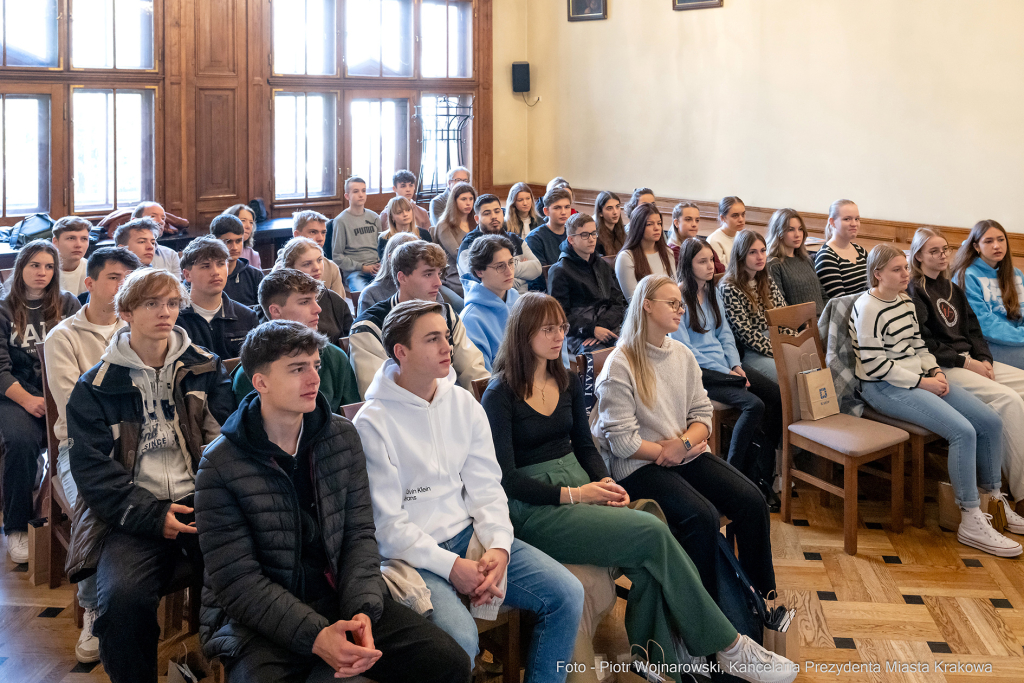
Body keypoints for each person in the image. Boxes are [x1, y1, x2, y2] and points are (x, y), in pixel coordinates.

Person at [483, 292, 797, 683]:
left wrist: (605, 481)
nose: (559, 336)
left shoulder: (562, 378)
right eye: (547, 329)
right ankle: (729, 645)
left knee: (650, 549)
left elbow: (585, 446)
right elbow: (508, 479)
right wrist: (578, 495)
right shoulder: (500, 393)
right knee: (651, 531)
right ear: (522, 333)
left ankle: (658, 661)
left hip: (580, 484)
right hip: (536, 506)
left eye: (561, 327)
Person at [196, 320, 471, 683]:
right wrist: (316, 635)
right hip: (259, 619)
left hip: (340, 596)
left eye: (316, 365)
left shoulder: (341, 436)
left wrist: (362, 612)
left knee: (447, 661)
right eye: (298, 369)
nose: (314, 379)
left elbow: (359, 535)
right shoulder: (220, 464)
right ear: (260, 382)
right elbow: (239, 583)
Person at [353, 299, 585, 683]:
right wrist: (451, 567)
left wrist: (497, 545)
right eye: (432, 339)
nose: (447, 347)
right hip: (415, 559)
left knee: (566, 594)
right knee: (459, 640)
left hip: (469, 537)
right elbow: (388, 528)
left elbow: (487, 488)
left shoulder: (461, 402)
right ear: (401, 352)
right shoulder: (372, 423)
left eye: (446, 336)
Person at [65, 268, 235, 683]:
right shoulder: (96, 387)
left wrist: (213, 500)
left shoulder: (203, 368)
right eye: (152, 303)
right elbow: (94, 474)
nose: (166, 312)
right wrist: (152, 516)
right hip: (134, 513)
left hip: (203, 501)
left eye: (173, 303)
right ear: (126, 311)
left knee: (247, 579)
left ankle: (236, 667)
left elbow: (227, 441)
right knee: (123, 602)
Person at [595, 275, 779, 608]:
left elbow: (702, 414)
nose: (681, 309)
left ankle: (758, 601)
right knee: (702, 516)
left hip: (683, 453)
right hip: (637, 467)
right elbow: (622, 443)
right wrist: (672, 451)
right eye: (673, 303)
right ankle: (706, 615)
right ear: (647, 306)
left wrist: (682, 445)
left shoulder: (681, 353)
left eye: (681, 303)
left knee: (751, 500)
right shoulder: (620, 364)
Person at [850, 244, 1020, 557]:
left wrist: (933, 370)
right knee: (962, 431)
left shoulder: (903, 300)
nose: (905, 275)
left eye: (905, 268)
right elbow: (874, 365)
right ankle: (970, 518)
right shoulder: (868, 307)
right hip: (883, 386)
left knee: (990, 421)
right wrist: (922, 381)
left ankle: (994, 501)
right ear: (877, 275)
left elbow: (918, 343)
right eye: (897, 270)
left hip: (919, 378)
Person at [44, 247, 141, 662]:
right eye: (116, 278)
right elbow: (75, 409)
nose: (125, 288)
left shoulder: (140, 327)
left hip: (141, 438)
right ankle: (93, 608)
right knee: (94, 500)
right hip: (82, 446)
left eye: (132, 281)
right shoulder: (62, 336)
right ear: (90, 283)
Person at [911, 227, 1024, 509]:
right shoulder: (915, 290)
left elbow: (974, 331)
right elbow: (926, 343)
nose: (942, 256)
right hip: (943, 366)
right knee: (1007, 400)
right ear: (919, 256)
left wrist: (984, 359)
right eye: (933, 251)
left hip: (972, 361)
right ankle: (1020, 493)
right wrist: (967, 362)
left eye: (944, 249)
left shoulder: (952, 288)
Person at [674, 238, 782, 504]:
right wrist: (725, 373)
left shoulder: (711, 292)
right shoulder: (678, 297)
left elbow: (725, 336)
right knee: (754, 405)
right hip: (702, 372)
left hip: (725, 366)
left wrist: (735, 366)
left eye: (711, 260)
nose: (711, 266)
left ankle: (762, 473)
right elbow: (686, 351)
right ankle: (733, 475)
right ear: (688, 265)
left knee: (776, 396)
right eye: (702, 261)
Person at [0, 240, 81, 564]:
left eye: (49, 266)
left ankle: (82, 521)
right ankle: (16, 527)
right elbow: (0, 367)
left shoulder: (68, 304)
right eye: (35, 265)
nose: (42, 272)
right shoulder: (4, 308)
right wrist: (29, 400)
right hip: (15, 396)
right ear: (21, 268)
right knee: (21, 443)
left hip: (60, 393)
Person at [349, 240, 488, 398]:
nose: (438, 283)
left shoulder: (446, 313)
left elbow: (474, 371)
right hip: (398, 416)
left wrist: (488, 404)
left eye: (439, 273)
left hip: (449, 405)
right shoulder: (369, 327)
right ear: (402, 278)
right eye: (428, 274)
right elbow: (377, 393)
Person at [232, 269, 359, 412]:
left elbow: (352, 415)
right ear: (276, 311)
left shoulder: (335, 357)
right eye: (304, 302)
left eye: (315, 300)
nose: (318, 309)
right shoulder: (253, 371)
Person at [547, 213, 626, 355]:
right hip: (577, 333)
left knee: (635, 346)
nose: (591, 239)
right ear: (571, 239)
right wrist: (592, 330)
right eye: (584, 235)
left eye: (593, 233)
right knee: (602, 356)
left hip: (607, 326)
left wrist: (602, 327)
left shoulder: (602, 264)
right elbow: (560, 316)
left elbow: (617, 301)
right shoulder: (560, 271)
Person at [954, 219, 1024, 371]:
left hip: (1018, 339)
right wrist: (1021, 337)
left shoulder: (1016, 274)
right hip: (988, 346)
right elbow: (983, 323)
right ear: (976, 246)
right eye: (988, 241)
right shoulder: (967, 275)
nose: (997, 246)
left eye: (1001, 239)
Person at [720, 229, 789, 382]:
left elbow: (783, 315)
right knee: (785, 375)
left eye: (763, 251)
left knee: (807, 366)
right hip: (752, 351)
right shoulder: (730, 288)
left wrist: (791, 344)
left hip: (777, 340)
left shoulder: (765, 279)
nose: (760, 257)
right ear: (740, 255)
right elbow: (746, 334)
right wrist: (779, 350)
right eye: (752, 252)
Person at [177, 235, 258, 361]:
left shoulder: (247, 316)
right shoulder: (175, 318)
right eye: (205, 266)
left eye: (220, 264)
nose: (216, 272)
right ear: (187, 275)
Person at [457, 193, 542, 294]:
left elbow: (537, 269)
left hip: (522, 302)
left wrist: (502, 270)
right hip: (484, 303)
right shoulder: (468, 246)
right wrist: (521, 278)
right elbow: (480, 282)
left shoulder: (514, 239)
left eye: (497, 212)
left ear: (502, 213)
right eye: (487, 213)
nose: (493, 217)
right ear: (477, 219)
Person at [275, 237, 353, 344]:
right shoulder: (280, 300)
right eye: (307, 264)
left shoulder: (334, 300)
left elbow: (350, 340)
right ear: (290, 268)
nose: (317, 268)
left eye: (319, 260)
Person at [461, 235, 520, 372]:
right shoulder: (471, 319)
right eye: (500, 266)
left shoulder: (518, 300)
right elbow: (482, 377)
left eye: (511, 262)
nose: (509, 271)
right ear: (479, 271)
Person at [358, 232, 445, 315]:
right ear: (391, 258)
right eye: (410, 257)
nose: (438, 283)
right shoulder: (371, 294)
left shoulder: (428, 289)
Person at [766, 208, 824, 316]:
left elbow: (822, 294)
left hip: (821, 322)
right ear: (779, 233)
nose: (797, 234)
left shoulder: (806, 259)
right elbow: (780, 305)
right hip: (799, 326)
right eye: (790, 230)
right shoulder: (773, 264)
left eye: (800, 229)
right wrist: (803, 323)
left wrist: (828, 317)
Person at [614, 202, 675, 300]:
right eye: (649, 224)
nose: (657, 228)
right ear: (638, 227)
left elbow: (674, 289)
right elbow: (634, 300)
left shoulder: (667, 252)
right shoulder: (626, 257)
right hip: (643, 312)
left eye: (659, 223)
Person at [332, 176, 382, 292]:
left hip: (377, 269)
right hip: (355, 272)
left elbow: (381, 247)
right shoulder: (341, 221)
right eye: (356, 191)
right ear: (347, 196)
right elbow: (337, 256)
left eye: (363, 191)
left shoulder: (374, 217)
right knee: (363, 294)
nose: (361, 194)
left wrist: (381, 264)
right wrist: (362, 267)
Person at [430, 181, 477, 302]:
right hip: (454, 277)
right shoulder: (444, 225)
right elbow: (459, 254)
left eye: (471, 199)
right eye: (463, 199)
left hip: (478, 271)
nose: (468, 203)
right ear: (454, 201)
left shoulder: (477, 222)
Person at [814, 199, 868, 300]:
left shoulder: (860, 250)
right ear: (832, 222)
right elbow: (840, 302)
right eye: (847, 219)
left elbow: (875, 286)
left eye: (857, 219)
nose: (854, 224)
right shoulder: (827, 256)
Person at [211, 213, 264, 308]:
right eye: (228, 242)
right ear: (214, 241)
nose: (234, 247)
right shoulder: (205, 275)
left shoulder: (255, 276)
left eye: (238, 241)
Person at [292, 209, 347, 298]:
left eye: (323, 232)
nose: (320, 238)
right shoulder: (282, 268)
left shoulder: (331, 267)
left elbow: (340, 307)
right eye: (313, 232)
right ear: (297, 235)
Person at [526, 187, 573, 269]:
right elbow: (539, 275)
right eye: (557, 208)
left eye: (567, 207)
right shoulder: (534, 239)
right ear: (546, 211)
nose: (563, 212)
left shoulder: (574, 234)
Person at [133, 202, 182, 278]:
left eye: (163, 218)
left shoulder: (171, 255)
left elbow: (176, 287)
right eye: (153, 216)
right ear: (135, 221)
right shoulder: (124, 252)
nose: (161, 221)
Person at [377, 195, 431, 260]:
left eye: (408, 210)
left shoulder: (424, 234)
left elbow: (430, 258)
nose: (405, 214)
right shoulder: (384, 238)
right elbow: (385, 263)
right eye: (399, 212)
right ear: (392, 217)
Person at [380, 169, 431, 234]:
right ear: (394, 188)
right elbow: (385, 238)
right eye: (403, 186)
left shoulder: (423, 213)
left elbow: (427, 238)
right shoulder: (385, 214)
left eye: (411, 185)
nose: (408, 189)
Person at [52, 216, 92, 296]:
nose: (78, 245)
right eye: (71, 238)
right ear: (55, 242)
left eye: (84, 239)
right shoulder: (44, 270)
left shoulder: (92, 270)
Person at [707, 196, 745, 268]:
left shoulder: (742, 236)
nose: (741, 219)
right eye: (735, 216)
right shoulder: (714, 240)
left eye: (743, 214)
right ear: (723, 218)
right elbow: (721, 272)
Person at [222, 203, 262, 269]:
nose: (248, 226)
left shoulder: (253, 255)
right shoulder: (217, 252)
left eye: (251, 222)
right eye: (243, 221)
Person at [594, 191, 626, 257]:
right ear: (600, 213)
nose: (615, 212)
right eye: (609, 208)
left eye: (617, 207)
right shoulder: (595, 237)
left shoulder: (624, 232)